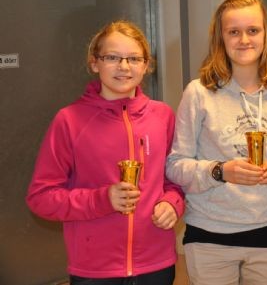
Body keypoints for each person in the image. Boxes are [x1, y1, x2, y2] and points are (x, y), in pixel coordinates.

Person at [26, 20, 185, 285]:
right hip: (94, 269)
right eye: (112, 57)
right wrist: (102, 199)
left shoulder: (163, 116)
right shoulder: (69, 120)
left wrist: (172, 203)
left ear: (146, 65)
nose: (124, 66)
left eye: (134, 58)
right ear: (94, 63)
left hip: (156, 264)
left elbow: (176, 180)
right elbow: (41, 198)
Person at [165, 0, 267, 285]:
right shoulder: (198, 93)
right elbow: (175, 165)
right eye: (233, 32)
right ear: (220, 38)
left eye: (253, 30)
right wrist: (220, 171)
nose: (244, 40)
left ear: (265, 35)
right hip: (210, 235)